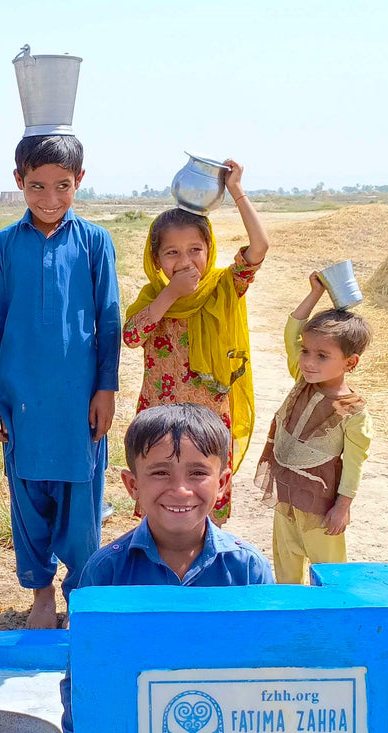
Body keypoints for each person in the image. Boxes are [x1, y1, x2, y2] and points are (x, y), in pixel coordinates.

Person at [57, 404, 274, 733]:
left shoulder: (248, 573)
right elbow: (81, 703)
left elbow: (268, 691)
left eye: (198, 473)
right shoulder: (105, 574)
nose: (180, 490)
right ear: (132, 486)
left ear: (222, 483)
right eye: (160, 473)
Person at [0, 134, 121, 629]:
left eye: (62, 186)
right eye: (37, 186)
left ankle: (80, 593)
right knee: (27, 498)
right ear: (19, 182)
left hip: (79, 400)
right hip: (22, 400)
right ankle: (41, 592)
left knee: (83, 503)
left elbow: (108, 319)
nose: (50, 198)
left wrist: (106, 387)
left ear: (79, 182)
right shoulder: (3, 246)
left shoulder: (95, 242)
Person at [123, 161, 269, 522]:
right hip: (159, 417)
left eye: (194, 250)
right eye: (172, 252)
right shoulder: (153, 296)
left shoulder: (222, 287)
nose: (185, 260)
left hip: (210, 418)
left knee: (205, 496)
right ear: (155, 259)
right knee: (159, 497)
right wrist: (170, 295)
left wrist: (236, 190)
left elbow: (260, 246)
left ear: (209, 249)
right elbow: (130, 336)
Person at [255, 273, 373, 584]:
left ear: (350, 363)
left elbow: (354, 464)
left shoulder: (353, 410)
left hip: (322, 510)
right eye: (306, 351)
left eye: (322, 355)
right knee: (286, 569)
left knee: (330, 575)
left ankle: (333, 627)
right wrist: (316, 293)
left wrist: (342, 507)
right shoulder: (302, 380)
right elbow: (293, 329)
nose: (308, 361)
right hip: (287, 499)